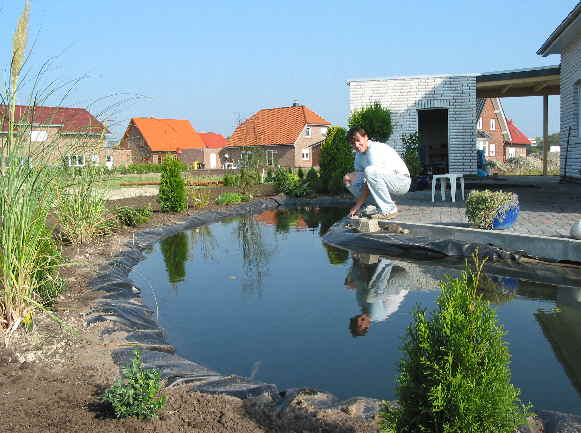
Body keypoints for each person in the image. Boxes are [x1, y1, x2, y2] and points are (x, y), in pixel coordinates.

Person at [344, 127, 411, 219]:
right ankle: (371, 205)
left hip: (401, 181)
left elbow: (369, 180)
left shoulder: (374, 150)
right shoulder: (358, 155)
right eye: (353, 143)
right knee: (349, 178)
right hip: (384, 181)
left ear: (365, 137)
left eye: (358, 140)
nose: (356, 145)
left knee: (370, 171)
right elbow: (362, 180)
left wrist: (357, 205)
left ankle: (390, 209)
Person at [345, 253, 409, 337]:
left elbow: (362, 283)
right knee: (372, 296)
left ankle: (356, 259)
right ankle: (387, 258)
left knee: (357, 284)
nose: (358, 321)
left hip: (389, 277)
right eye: (360, 325)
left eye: (355, 323)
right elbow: (374, 291)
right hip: (401, 281)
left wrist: (353, 280)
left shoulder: (361, 303)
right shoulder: (376, 315)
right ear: (368, 325)